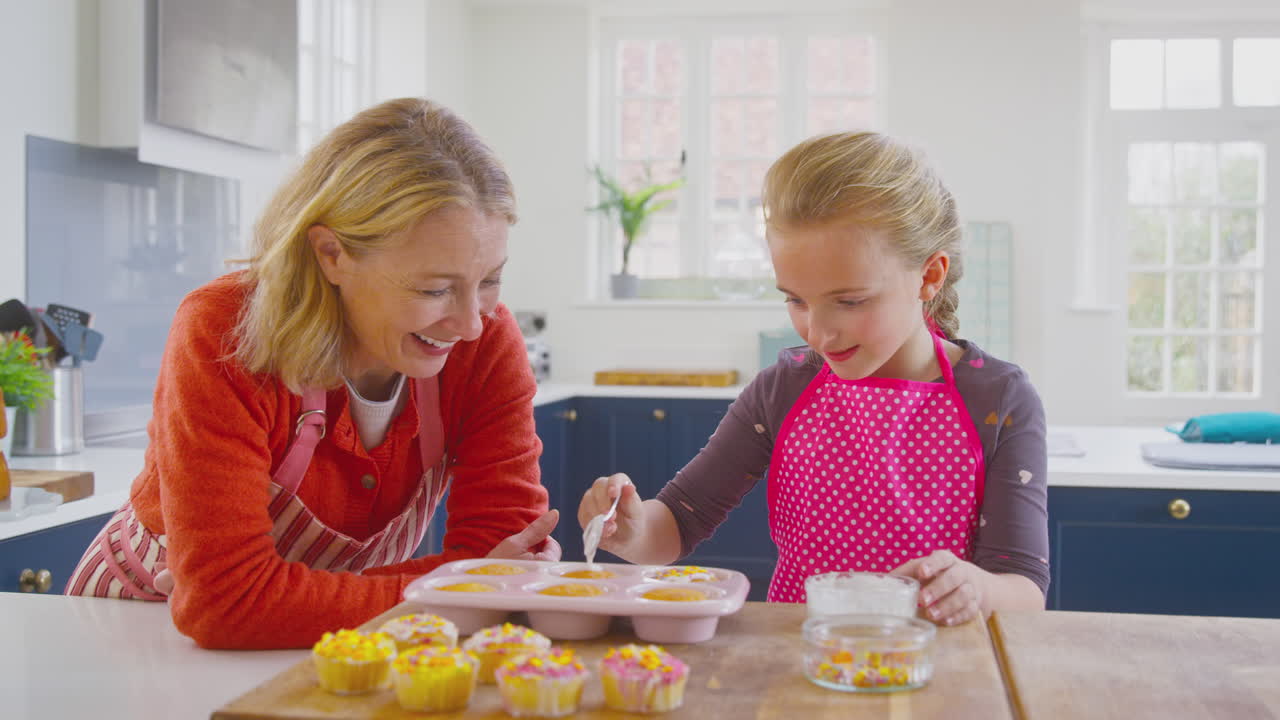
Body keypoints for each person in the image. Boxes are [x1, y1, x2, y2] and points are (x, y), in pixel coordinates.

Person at [66, 98, 560, 649]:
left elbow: (509, 557)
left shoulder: (485, 341)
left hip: (351, 645)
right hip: (142, 638)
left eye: (491, 279)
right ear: (331, 254)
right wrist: (458, 588)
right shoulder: (226, 333)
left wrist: (273, 600)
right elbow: (223, 605)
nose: (470, 322)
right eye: (433, 289)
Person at [578, 132, 1048, 626]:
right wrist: (630, 531)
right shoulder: (782, 390)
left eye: (850, 301)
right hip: (800, 666)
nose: (819, 333)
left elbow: (1023, 586)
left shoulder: (999, 400)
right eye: (796, 300)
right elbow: (676, 522)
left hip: (937, 674)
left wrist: (974, 587)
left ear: (930, 277)